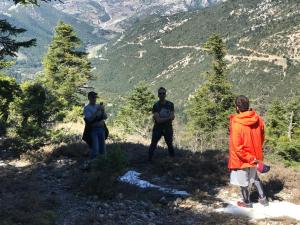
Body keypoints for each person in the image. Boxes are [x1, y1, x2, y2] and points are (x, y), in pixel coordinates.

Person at [228, 95, 268, 208]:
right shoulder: (258, 118)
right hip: (255, 155)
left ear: (237, 107)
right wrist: (255, 154)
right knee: (255, 177)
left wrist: (250, 158)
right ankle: (263, 199)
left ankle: (247, 202)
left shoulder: (236, 123)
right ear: (248, 105)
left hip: (243, 159)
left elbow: (238, 147)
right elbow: (262, 136)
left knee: (243, 182)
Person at [148, 87, 175, 162]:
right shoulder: (155, 106)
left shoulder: (171, 104)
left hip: (168, 128)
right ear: (158, 95)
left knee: (170, 145)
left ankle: (173, 160)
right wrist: (168, 118)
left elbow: (172, 117)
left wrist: (164, 118)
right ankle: (149, 161)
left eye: (163, 93)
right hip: (158, 128)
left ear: (165, 94)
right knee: (153, 144)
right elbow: (158, 120)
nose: (162, 95)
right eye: (160, 93)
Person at [83, 91, 107, 159]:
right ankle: (93, 164)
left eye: (95, 98)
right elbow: (89, 119)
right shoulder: (87, 108)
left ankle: (102, 164)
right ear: (89, 98)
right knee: (95, 149)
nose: (94, 99)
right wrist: (97, 111)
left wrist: (103, 110)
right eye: (93, 98)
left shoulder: (98, 106)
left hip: (101, 129)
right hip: (93, 130)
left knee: (103, 149)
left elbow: (105, 117)